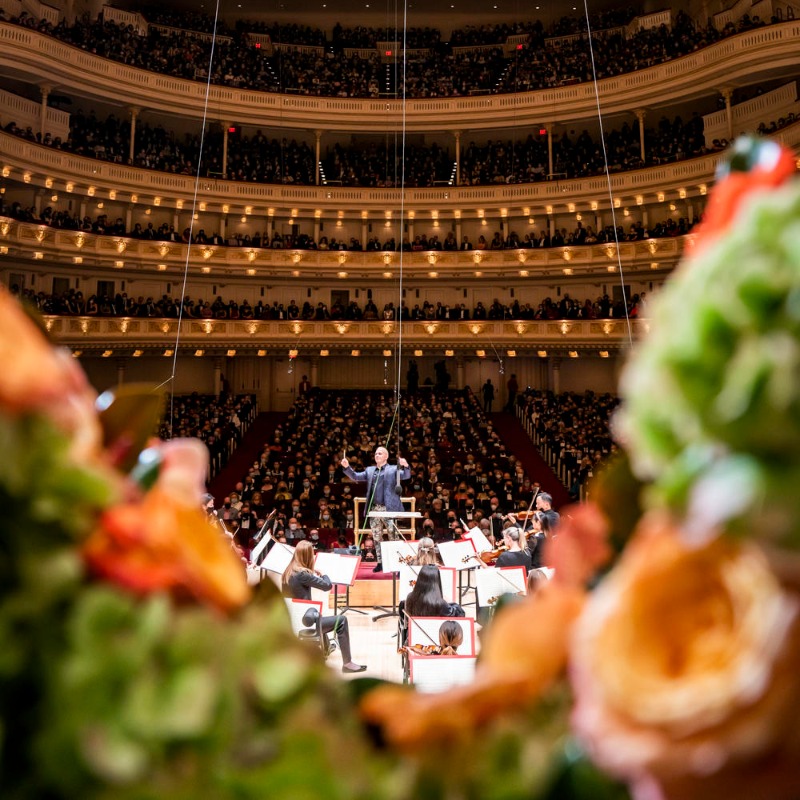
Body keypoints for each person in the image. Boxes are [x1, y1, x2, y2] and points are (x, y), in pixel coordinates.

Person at [282, 541, 366, 673]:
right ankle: (348, 663)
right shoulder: (303, 574)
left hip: (293, 619)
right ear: (308, 556)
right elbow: (327, 586)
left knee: (319, 615)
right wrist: (323, 574)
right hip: (305, 623)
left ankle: (326, 648)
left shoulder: (288, 571)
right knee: (341, 620)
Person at [341, 446, 410, 570]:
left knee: (393, 537)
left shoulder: (393, 469)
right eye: (376, 453)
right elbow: (356, 476)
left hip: (388, 509)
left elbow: (405, 476)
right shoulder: (370, 470)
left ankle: (398, 564)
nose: (376, 455)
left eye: (380, 453)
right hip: (374, 509)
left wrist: (405, 465)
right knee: (376, 537)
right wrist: (347, 467)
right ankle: (380, 562)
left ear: (386, 456)